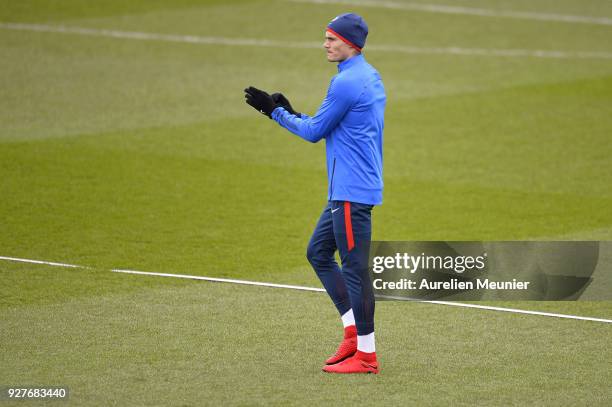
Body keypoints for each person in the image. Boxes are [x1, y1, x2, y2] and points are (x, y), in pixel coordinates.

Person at [244, 13, 385, 374]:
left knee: (354, 270)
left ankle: (367, 356)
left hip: (350, 192)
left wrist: (274, 112)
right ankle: (353, 333)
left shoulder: (347, 83)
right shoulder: (366, 75)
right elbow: (330, 125)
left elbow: (313, 133)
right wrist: (293, 112)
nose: (325, 44)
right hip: (348, 189)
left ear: (351, 43)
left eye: (332, 39)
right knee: (318, 252)